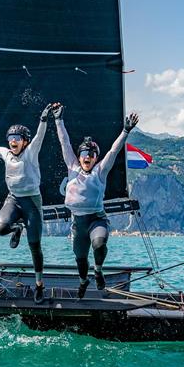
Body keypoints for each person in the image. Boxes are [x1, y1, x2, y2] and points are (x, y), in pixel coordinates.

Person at [53, 103, 138, 298]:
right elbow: (64, 142)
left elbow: (113, 152)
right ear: (79, 156)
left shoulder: (100, 171)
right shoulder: (72, 167)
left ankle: (98, 270)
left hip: (96, 220)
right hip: (78, 223)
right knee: (80, 259)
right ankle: (84, 280)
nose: (87, 157)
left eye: (91, 155)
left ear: (95, 157)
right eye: (84, 154)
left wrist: (125, 130)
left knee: (99, 244)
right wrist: (58, 120)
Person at [0, 104, 51, 303]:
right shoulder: (5, 153)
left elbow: (40, 136)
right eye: (11, 138)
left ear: (25, 142)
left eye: (17, 139)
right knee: (1, 228)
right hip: (13, 199)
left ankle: (39, 285)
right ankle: (16, 228)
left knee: (34, 245)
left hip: (32, 202)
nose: (13, 142)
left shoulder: (30, 152)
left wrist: (44, 118)